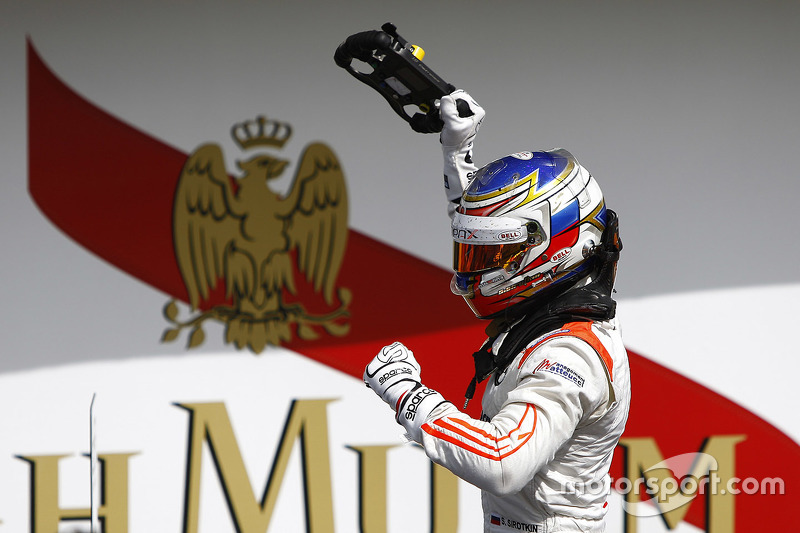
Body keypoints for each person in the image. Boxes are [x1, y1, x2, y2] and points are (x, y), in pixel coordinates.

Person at [364, 90, 630, 532]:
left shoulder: (570, 352)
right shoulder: (554, 306)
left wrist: (408, 395)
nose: (478, 265)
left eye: (492, 253)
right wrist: (457, 150)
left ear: (556, 248)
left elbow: (502, 461)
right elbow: (488, 230)